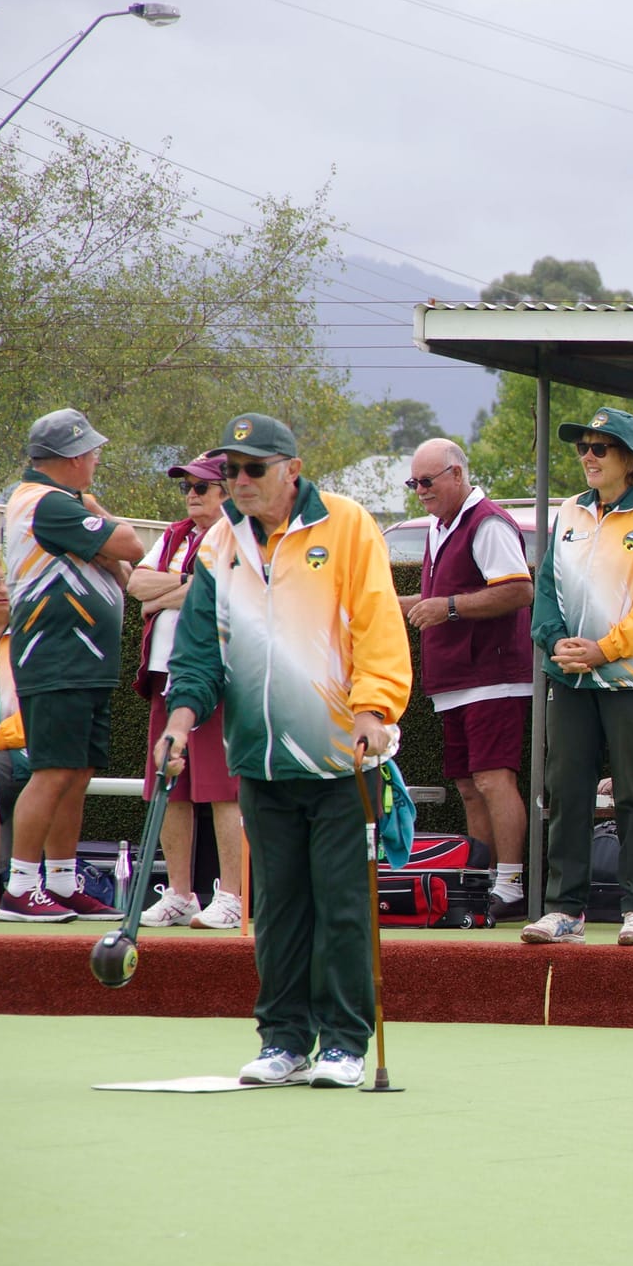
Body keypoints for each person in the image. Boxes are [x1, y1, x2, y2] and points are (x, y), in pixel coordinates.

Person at [158, 413, 412, 1088]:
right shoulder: (219, 545)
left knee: (341, 905)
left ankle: (344, 1044)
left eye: (253, 469)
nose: (239, 482)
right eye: (231, 471)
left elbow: (380, 624)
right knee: (277, 908)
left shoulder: (348, 524)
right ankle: (285, 1039)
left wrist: (374, 707)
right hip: (261, 761)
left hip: (341, 758)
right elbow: (198, 654)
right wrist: (180, 724)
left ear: (290, 470)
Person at [522, 407, 633, 947]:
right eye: (583, 447)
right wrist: (554, 640)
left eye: (600, 448)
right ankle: (565, 911)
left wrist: (604, 649)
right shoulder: (568, 511)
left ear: (630, 461)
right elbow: (546, 587)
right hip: (570, 678)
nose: (588, 456)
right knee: (566, 791)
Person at [0, 409, 144, 922]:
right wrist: (97, 516)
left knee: (76, 772)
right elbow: (131, 546)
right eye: (93, 450)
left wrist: (101, 542)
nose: (98, 457)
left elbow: (121, 564)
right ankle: (20, 887)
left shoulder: (56, 503)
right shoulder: (47, 504)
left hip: (82, 660)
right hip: (57, 658)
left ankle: (59, 881)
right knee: (53, 771)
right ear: (73, 457)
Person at [395, 438, 535, 923]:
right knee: (469, 785)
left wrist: (447, 607)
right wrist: (391, 607)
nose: (419, 490)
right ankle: (480, 880)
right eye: (413, 482)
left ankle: (511, 883)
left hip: (493, 676)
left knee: (494, 780)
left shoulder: (488, 522)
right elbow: (439, 598)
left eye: (427, 481)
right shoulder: (441, 526)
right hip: (455, 678)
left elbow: (519, 590)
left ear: (456, 474)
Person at [130, 454, 249, 930]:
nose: (191, 496)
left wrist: (164, 597)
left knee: (223, 790)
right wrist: (181, 585)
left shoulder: (240, 534)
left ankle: (233, 897)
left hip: (218, 678)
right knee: (170, 787)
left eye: (201, 487)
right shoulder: (176, 534)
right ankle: (181, 894)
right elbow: (136, 583)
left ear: (227, 490)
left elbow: (220, 589)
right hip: (167, 677)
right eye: (187, 489)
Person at [0, 546, 31, 911]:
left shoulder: (34, 636)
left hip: (21, 750)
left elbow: (41, 710)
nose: (3, 589)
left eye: (9, 580)